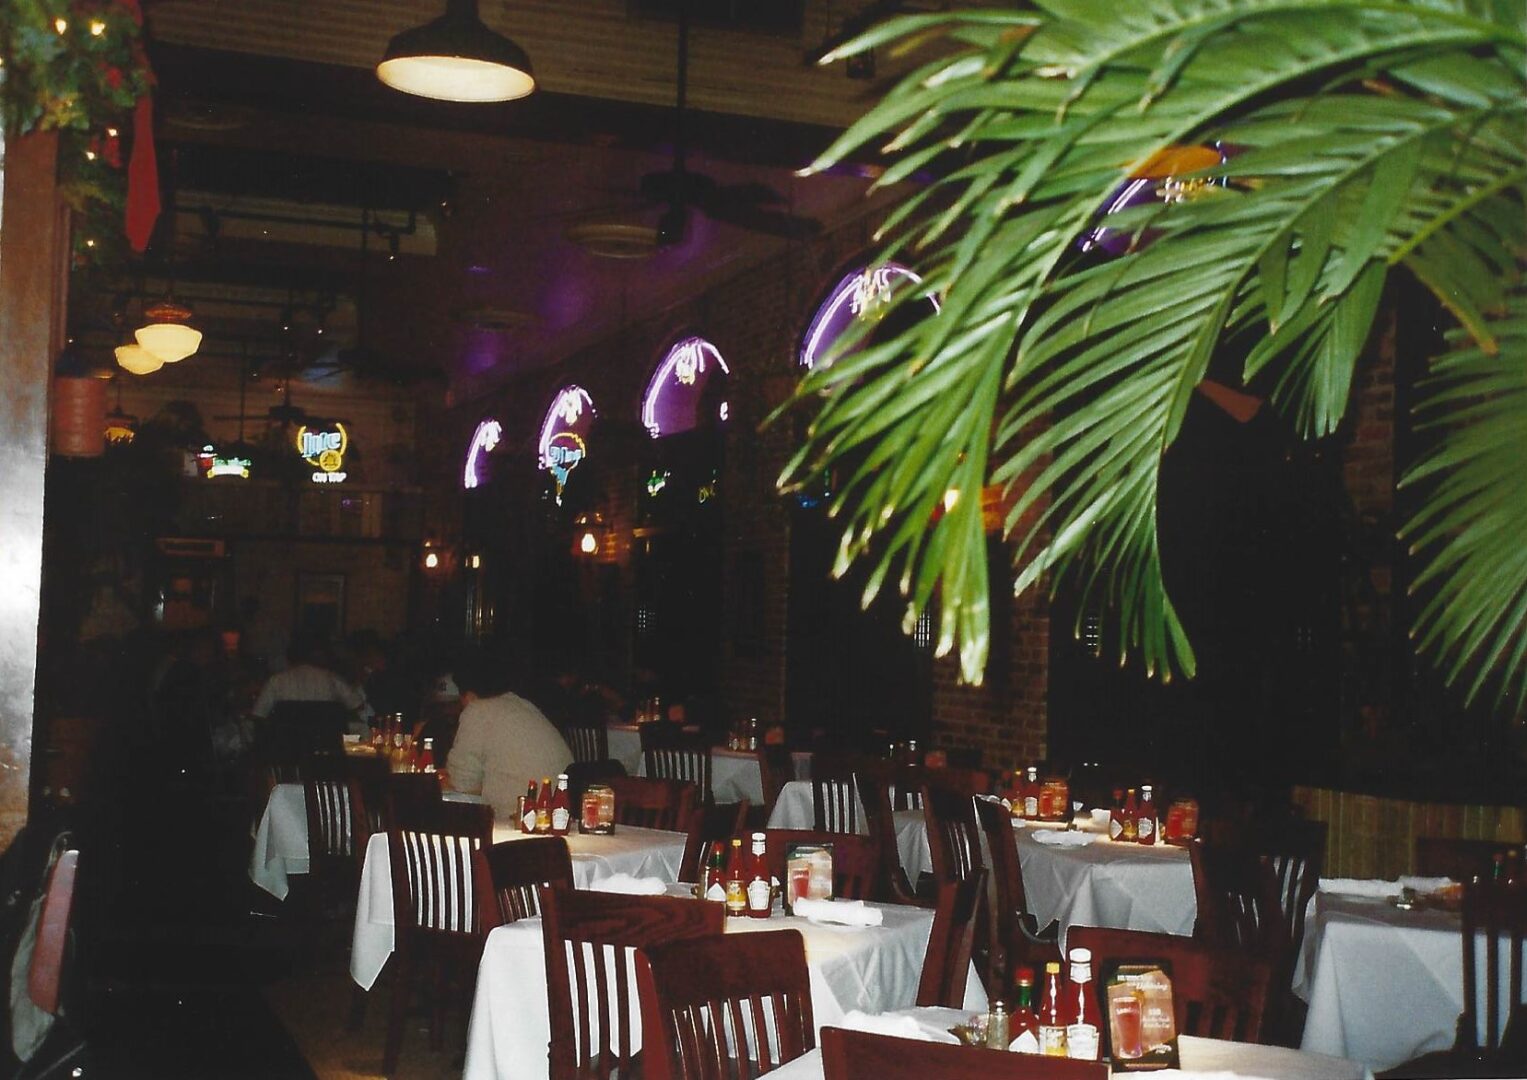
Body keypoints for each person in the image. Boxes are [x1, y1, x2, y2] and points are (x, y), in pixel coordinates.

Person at [443, 651, 572, 822]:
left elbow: (462, 786)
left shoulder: (477, 711)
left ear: (469, 695)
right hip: (558, 817)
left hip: (518, 822)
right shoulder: (522, 705)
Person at [251, 632, 370, 732]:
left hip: (285, 748)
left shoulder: (276, 681)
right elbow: (357, 706)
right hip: (325, 745)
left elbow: (258, 715)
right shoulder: (332, 678)